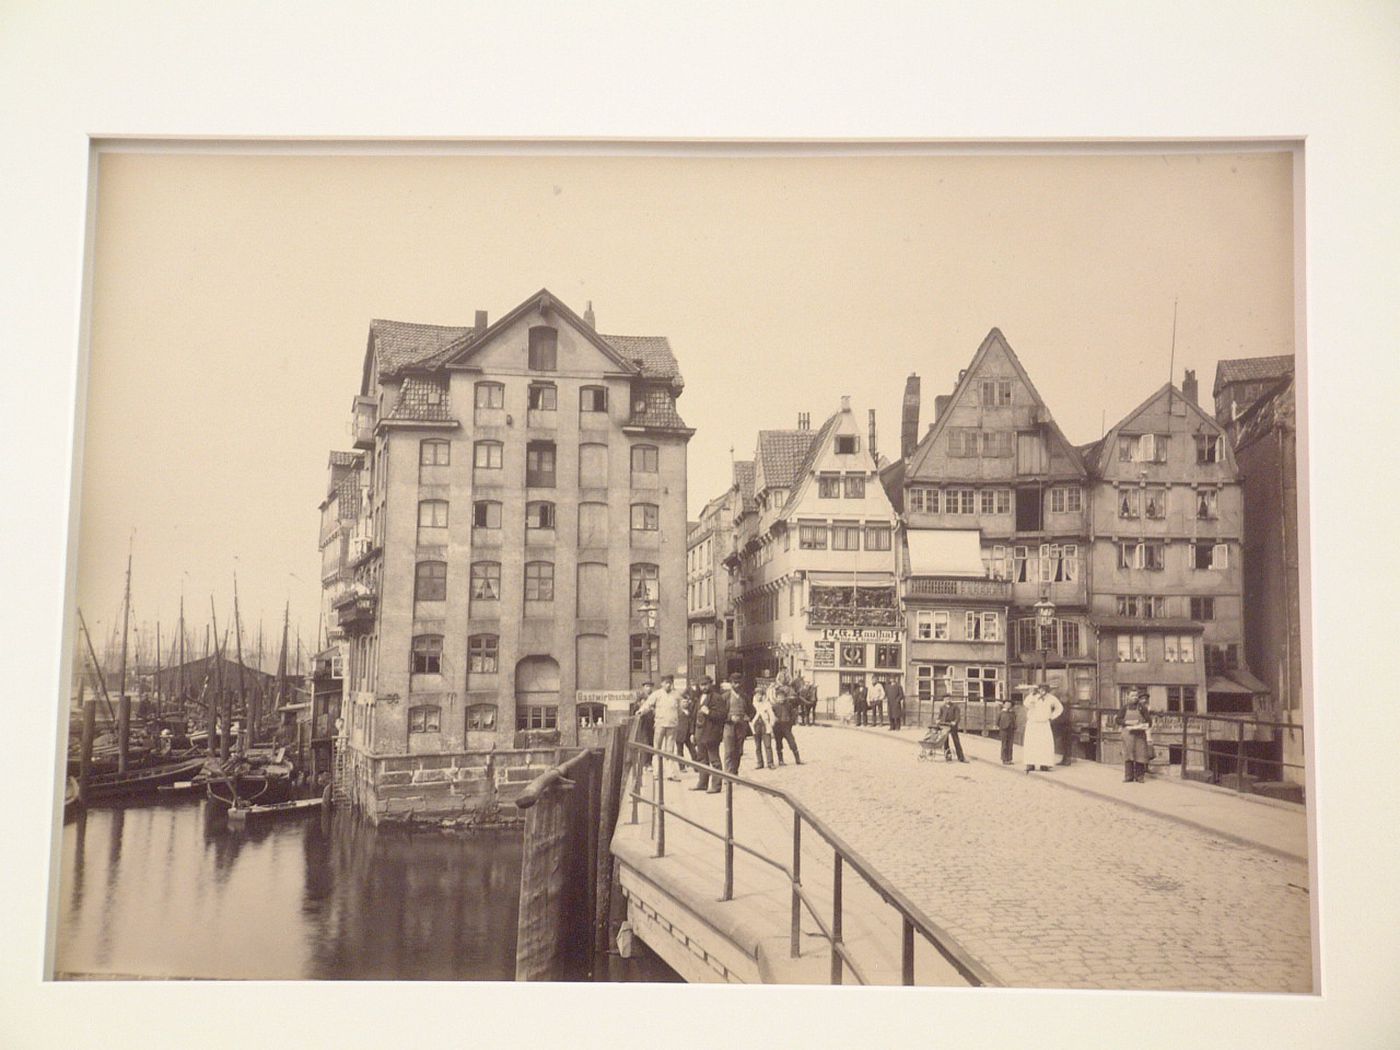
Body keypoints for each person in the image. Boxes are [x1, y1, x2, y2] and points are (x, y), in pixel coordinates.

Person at [639, 675, 682, 779]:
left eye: (670, 683)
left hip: (672, 725)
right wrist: (640, 711)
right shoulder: (657, 694)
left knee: (670, 749)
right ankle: (657, 772)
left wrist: (676, 718)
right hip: (660, 724)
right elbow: (648, 705)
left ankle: (670, 773)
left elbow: (679, 709)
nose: (668, 685)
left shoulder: (676, 695)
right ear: (662, 684)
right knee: (657, 748)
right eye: (666, 683)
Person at [690, 677, 726, 793]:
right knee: (702, 759)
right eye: (701, 685)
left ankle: (716, 786)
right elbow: (694, 717)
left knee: (714, 760)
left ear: (711, 684)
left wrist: (709, 712)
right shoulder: (699, 698)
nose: (703, 687)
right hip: (699, 734)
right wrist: (692, 733)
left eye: (706, 684)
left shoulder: (717, 697)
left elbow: (722, 715)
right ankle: (702, 783)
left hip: (711, 734)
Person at [1022, 683, 1064, 772]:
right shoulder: (1032, 696)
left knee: (1045, 744)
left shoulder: (1051, 698)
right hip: (1032, 724)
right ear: (1038, 689)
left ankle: (1045, 764)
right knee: (1031, 744)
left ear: (1048, 690)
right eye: (1041, 689)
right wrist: (1032, 696)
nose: (1042, 691)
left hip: (1044, 724)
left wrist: (1052, 716)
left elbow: (1059, 708)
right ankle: (1030, 764)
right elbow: (1025, 704)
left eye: (1045, 689)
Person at [1119, 688, 1154, 783]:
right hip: (1128, 734)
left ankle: (1140, 777)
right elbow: (1118, 720)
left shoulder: (1142, 708)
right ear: (1128, 697)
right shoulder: (1124, 708)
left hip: (1139, 735)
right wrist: (1126, 722)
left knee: (1140, 755)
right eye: (1132, 696)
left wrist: (1143, 725)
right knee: (1128, 754)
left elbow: (1149, 721)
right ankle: (1128, 776)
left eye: (1136, 696)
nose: (1134, 698)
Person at [721, 674, 751, 776]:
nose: (737, 685)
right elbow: (720, 713)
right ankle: (728, 775)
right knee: (729, 751)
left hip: (741, 727)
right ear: (731, 683)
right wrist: (729, 718)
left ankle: (735, 773)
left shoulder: (744, 696)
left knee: (738, 751)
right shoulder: (725, 697)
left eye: (739, 683)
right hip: (728, 726)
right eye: (735, 683)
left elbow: (752, 710)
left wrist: (748, 717)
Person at [771, 686, 802, 765]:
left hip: (786, 727)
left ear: (785, 697)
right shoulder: (774, 706)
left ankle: (797, 760)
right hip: (777, 727)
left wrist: (791, 722)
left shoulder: (788, 705)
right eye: (779, 697)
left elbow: (793, 714)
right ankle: (781, 761)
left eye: (782, 697)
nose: (781, 699)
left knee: (792, 742)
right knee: (778, 744)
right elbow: (771, 717)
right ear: (776, 698)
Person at [750, 687, 776, 770]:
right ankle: (760, 763)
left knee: (768, 745)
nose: (759, 697)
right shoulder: (752, 704)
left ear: (763, 695)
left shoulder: (767, 704)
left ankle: (770, 762)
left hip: (765, 725)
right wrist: (751, 726)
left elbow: (772, 716)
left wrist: (770, 725)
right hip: (756, 725)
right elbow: (750, 716)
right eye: (757, 695)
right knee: (757, 746)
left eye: (761, 695)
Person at [936, 695, 968, 762]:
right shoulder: (942, 707)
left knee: (956, 741)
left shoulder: (955, 707)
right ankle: (948, 756)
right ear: (943, 700)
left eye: (948, 699)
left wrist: (955, 722)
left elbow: (958, 717)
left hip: (952, 726)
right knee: (945, 741)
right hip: (944, 725)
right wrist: (938, 720)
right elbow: (940, 716)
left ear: (950, 699)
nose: (947, 700)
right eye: (945, 699)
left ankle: (961, 758)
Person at [996, 698, 1017, 764]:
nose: (1008, 705)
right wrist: (1002, 727)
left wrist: (1014, 726)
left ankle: (1009, 759)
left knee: (1010, 745)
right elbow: (997, 721)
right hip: (1004, 730)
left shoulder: (1012, 713)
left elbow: (1014, 720)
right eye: (1006, 704)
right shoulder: (1001, 712)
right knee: (1004, 744)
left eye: (1009, 704)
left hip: (1011, 729)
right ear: (1004, 705)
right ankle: (1004, 759)